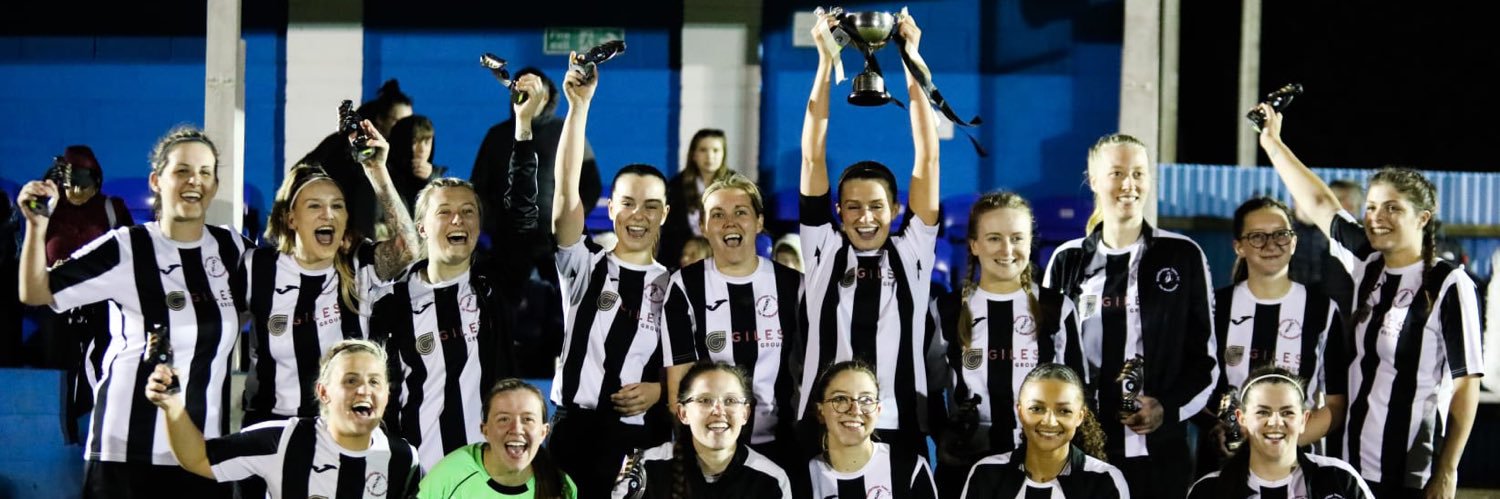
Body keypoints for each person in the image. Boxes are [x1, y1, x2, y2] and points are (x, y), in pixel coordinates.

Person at [1258, 102, 1483, 498]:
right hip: (1351, 463)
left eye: (1393, 208)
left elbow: (1467, 384)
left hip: (1412, 468)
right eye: (1372, 207)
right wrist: (1273, 142)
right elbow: (1321, 203)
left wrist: (1447, 470)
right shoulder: (1367, 261)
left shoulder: (1449, 283)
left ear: (1423, 218)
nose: (1377, 216)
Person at [17, 125, 250, 497]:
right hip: (124, 453)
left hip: (202, 455)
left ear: (216, 185)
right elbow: (35, 291)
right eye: (183, 171)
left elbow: (278, 291)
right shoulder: (127, 246)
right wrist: (36, 226)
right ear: (157, 181)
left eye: (205, 172)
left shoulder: (233, 248)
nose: (195, 181)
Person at [796, 12, 943, 456]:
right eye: (853, 207)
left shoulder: (913, 250)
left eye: (876, 207)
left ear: (895, 210)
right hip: (821, 426)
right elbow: (811, 157)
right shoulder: (823, 248)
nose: (865, 217)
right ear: (837, 212)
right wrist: (826, 64)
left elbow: (928, 158)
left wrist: (912, 60)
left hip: (899, 427)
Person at [1041, 133, 1219, 498]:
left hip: (1161, 453)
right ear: (1093, 180)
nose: (1129, 185)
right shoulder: (1067, 260)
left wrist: (1166, 409)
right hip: (1085, 450)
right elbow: (1050, 359)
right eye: (1117, 173)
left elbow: (1206, 361)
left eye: (1138, 173)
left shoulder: (1182, 255)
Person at [547, 58, 671, 499]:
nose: (639, 215)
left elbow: (689, 369)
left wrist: (659, 391)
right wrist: (578, 107)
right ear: (611, 208)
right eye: (629, 203)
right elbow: (565, 191)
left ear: (665, 214)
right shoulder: (584, 264)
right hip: (572, 430)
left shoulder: (675, 287)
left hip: (636, 440)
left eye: (652, 205)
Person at [243, 121, 418, 427]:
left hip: (346, 429)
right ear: (291, 218)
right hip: (274, 431)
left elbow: (409, 248)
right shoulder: (257, 267)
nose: (328, 214)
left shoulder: (358, 262)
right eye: (315, 206)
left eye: (337, 206)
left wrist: (378, 171)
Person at [370, 174, 543, 471]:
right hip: (420, 477)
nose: (458, 220)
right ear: (421, 227)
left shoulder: (493, 289)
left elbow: (521, 218)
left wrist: (523, 137)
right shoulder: (390, 305)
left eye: (467, 211)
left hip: (491, 477)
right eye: (445, 212)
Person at [928, 192, 1084, 498]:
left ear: (1029, 243)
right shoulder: (947, 309)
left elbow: (1079, 392)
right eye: (994, 238)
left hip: (1042, 464)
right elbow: (931, 389)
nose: (1007, 249)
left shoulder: (1057, 308)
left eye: (1017, 238)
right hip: (967, 465)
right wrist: (943, 434)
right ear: (974, 244)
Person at [145, 338, 421, 498]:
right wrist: (171, 403)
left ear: (386, 395)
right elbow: (198, 458)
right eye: (351, 380)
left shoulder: (404, 458)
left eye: (375, 382)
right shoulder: (285, 440)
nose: (364, 390)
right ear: (323, 392)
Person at [661, 173, 803, 474]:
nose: (730, 222)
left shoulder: (793, 286)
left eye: (741, 212)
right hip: (711, 450)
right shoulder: (684, 285)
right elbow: (679, 383)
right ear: (703, 227)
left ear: (759, 222)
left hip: (782, 447)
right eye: (717, 215)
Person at [471, 69, 602, 379]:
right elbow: (479, 188)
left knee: (568, 310)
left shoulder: (566, 131)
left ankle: (570, 371)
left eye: (535, 87)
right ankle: (498, 372)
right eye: (521, 86)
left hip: (556, 243)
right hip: (508, 243)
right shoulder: (497, 135)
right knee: (502, 312)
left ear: (548, 95)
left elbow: (591, 184)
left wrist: (570, 221)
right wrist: (495, 226)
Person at [1199, 196, 1345, 473]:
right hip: (1224, 465)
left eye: (1281, 235)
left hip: (1296, 467)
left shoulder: (1322, 310)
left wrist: (1281, 443)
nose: (1270, 245)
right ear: (1238, 246)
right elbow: (1194, 391)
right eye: (1257, 237)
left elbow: (1337, 405)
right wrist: (1223, 431)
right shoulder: (1214, 308)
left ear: (1294, 241)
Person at [37, 145, 135, 442]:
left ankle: (99, 428)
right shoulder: (50, 207)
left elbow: (129, 252)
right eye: (71, 185)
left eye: (84, 185)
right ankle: (60, 433)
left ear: (98, 182)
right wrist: (42, 192)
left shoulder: (110, 208)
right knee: (57, 365)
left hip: (99, 303)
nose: (76, 192)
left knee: (101, 365)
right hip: (56, 301)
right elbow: (28, 225)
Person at [1187, 366, 1374, 499]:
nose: (1275, 422)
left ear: (1303, 420)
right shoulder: (1209, 490)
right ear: (1242, 419)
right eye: (1262, 412)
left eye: (1287, 412)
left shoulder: (1338, 477)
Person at [615, 361, 793, 498]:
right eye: (705, 400)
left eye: (730, 401)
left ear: (745, 413)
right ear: (683, 413)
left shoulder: (774, 479)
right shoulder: (639, 464)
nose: (719, 411)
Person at [959, 363, 1127, 498]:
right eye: (1036, 408)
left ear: (1080, 416)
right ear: (1020, 411)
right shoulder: (986, 472)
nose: (1049, 421)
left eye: (1064, 411)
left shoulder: (1105, 480)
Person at [419, 378, 577, 498]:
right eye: (504, 419)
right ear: (485, 429)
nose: (516, 429)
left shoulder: (562, 486)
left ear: (544, 432)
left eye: (527, 419)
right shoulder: (449, 476)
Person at [301, 79, 414, 240]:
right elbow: (303, 173)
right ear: (381, 120)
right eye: (397, 121)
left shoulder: (405, 155)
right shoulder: (345, 144)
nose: (405, 129)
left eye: (408, 123)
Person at [806, 360, 937, 498]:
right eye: (840, 399)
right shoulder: (803, 476)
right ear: (820, 411)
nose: (855, 410)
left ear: (878, 411)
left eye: (866, 400)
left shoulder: (910, 468)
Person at [659, 129, 731, 268]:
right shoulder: (675, 186)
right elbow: (670, 232)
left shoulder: (736, 186)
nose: (710, 156)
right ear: (694, 155)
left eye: (716, 150)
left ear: (723, 154)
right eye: (703, 150)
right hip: (684, 252)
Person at [387, 114, 447, 216]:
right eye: (415, 142)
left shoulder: (441, 176)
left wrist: (432, 180)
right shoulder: (384, 174)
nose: (422, 150)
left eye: (427, 142)